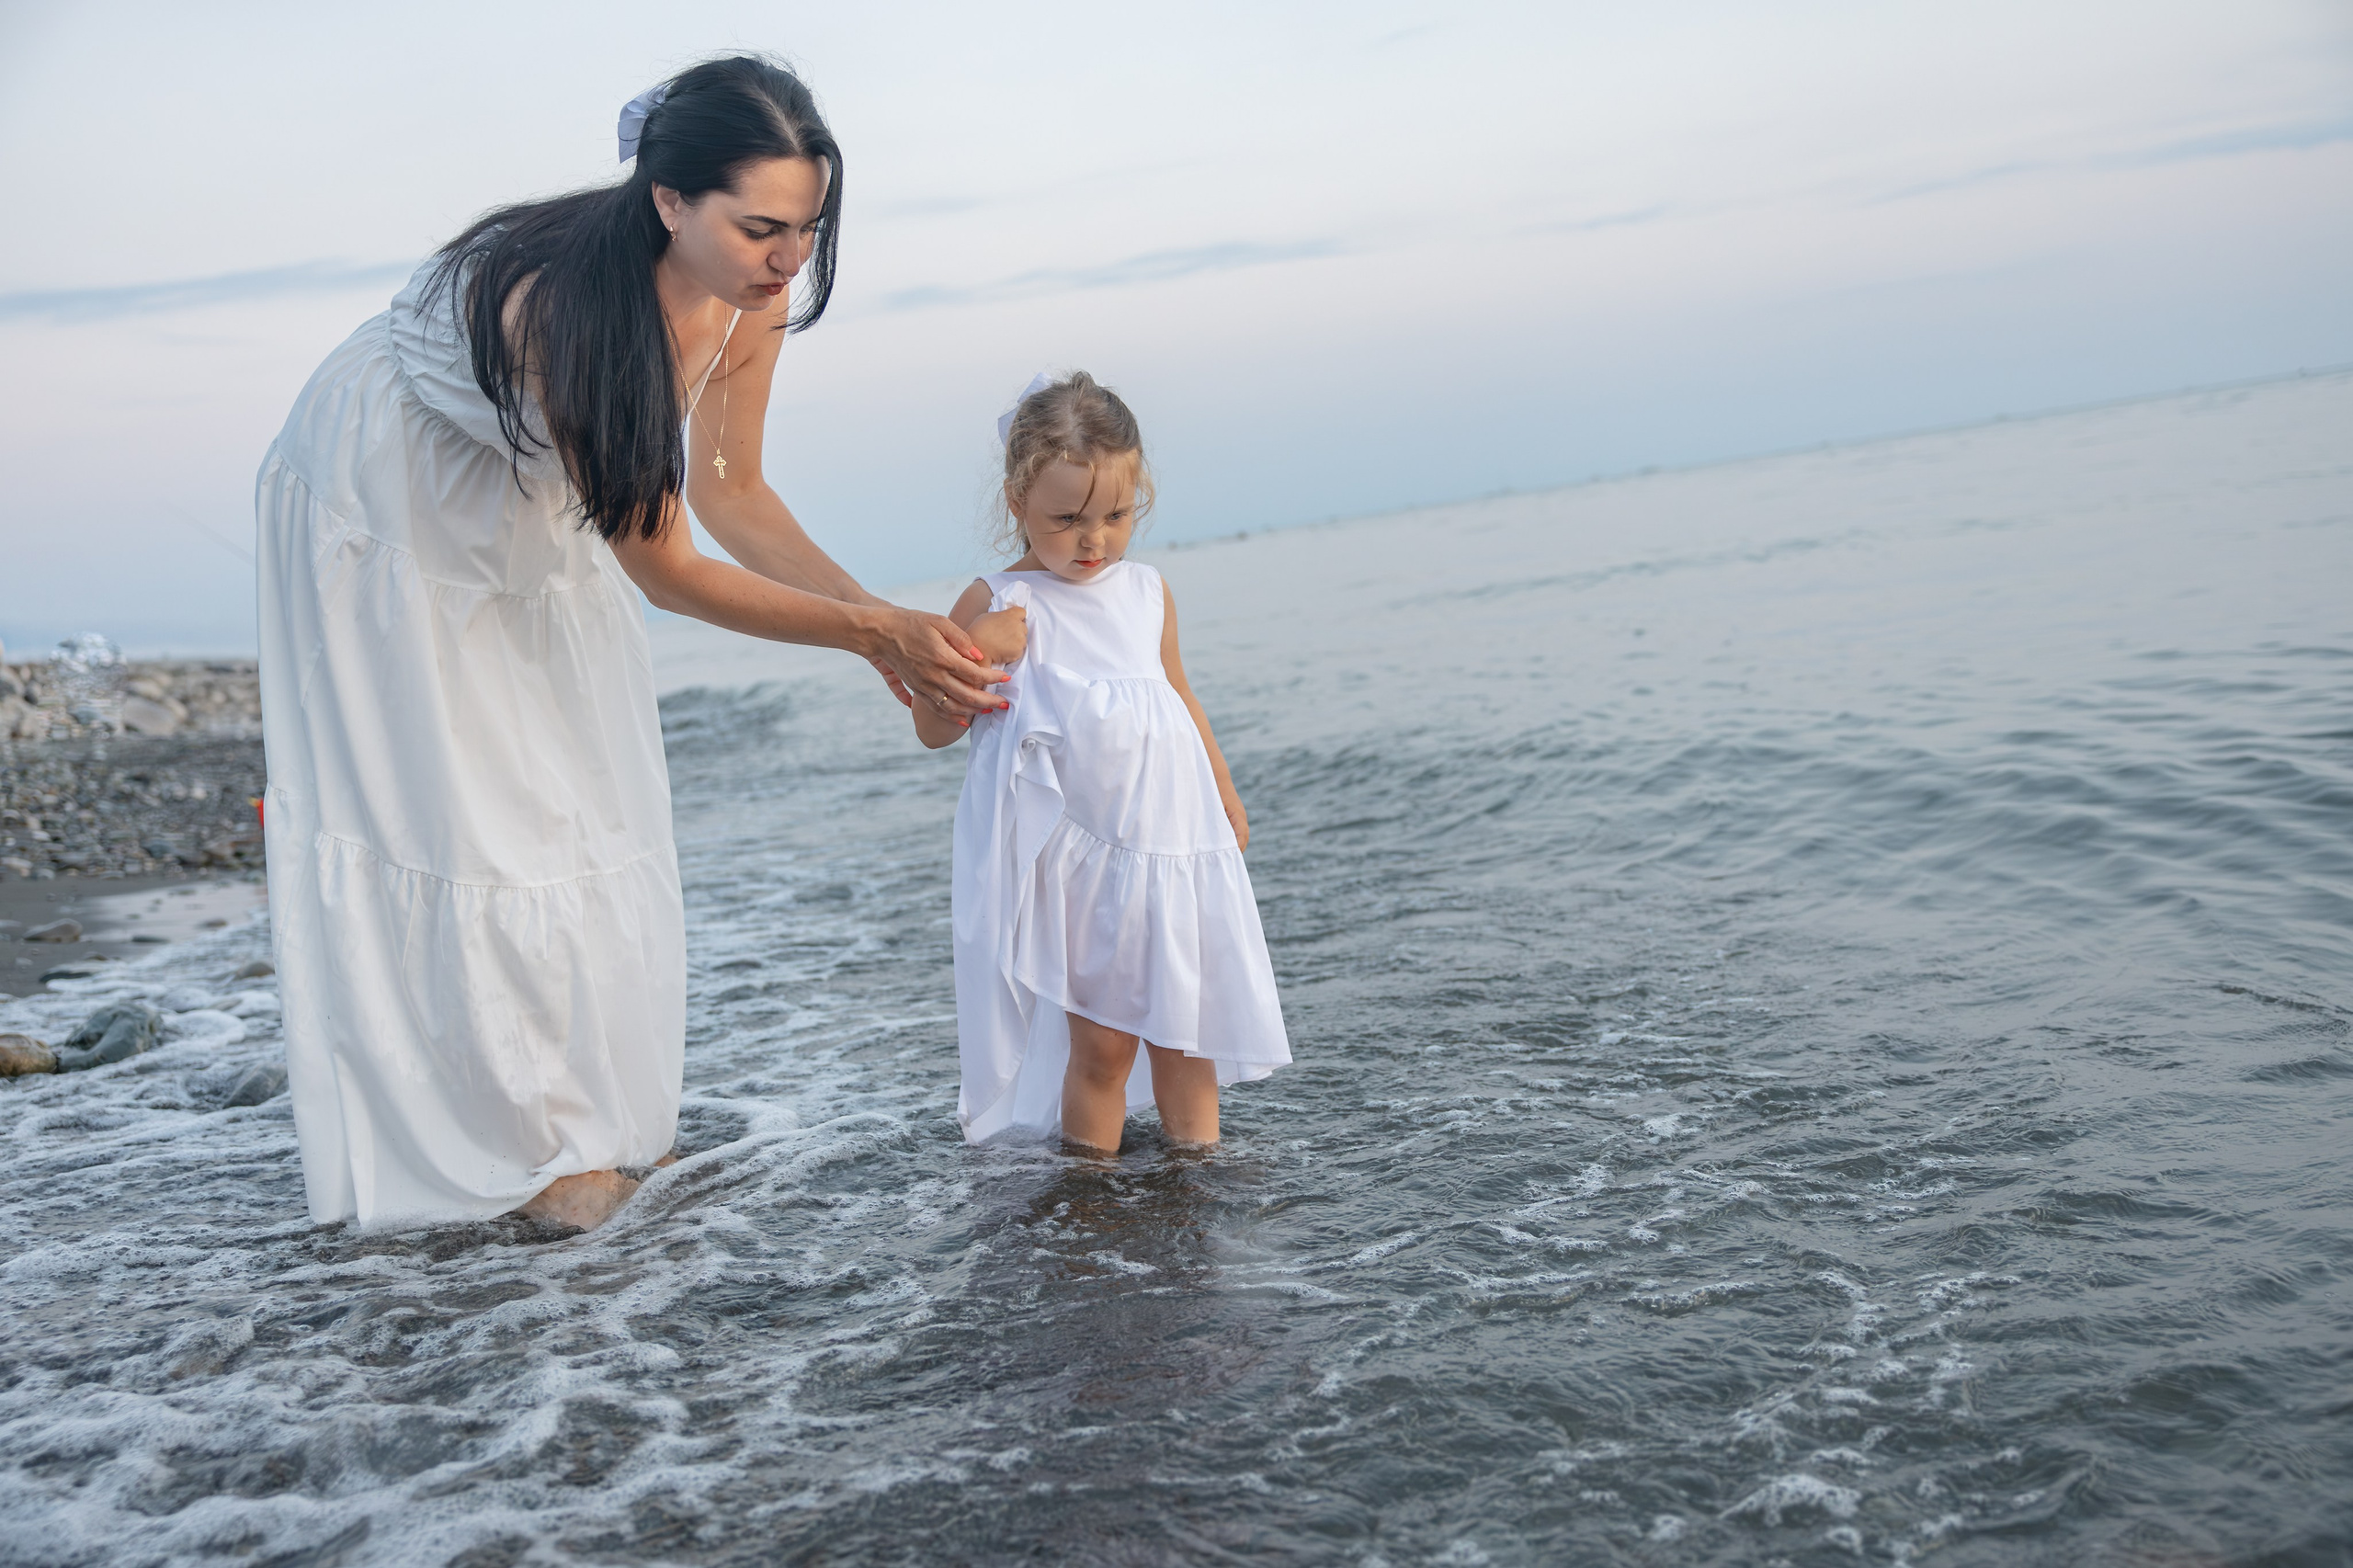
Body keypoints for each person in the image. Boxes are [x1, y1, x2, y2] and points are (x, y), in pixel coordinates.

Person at [256, 56, 1008, 1233]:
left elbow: (734, 491)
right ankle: (506, 1148)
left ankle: (579, 1117)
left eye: (808, 227)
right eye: (760, 226)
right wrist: (873, 629)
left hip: (544, 488)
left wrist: (884, 637)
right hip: (389, 494)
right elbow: (663, 570)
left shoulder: (754, 297)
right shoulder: (569, 311)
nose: (788, 258)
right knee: (466, 810)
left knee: (584, 795)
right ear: (669, 201)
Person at [916, 372, 1291, 1150]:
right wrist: (981, 651)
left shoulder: (1147, 591)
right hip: (1087, 870)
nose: (1094, 541)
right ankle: (1090, 1203)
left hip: (1179, 848)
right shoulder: (999, 601)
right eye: (1068, 519)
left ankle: (1200, 1190)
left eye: (1116, 516)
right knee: (1105, 1045)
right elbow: (932, 727)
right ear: (1017, 501)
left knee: (1188, 1039)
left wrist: (1222, 789)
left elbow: (1178, 695)